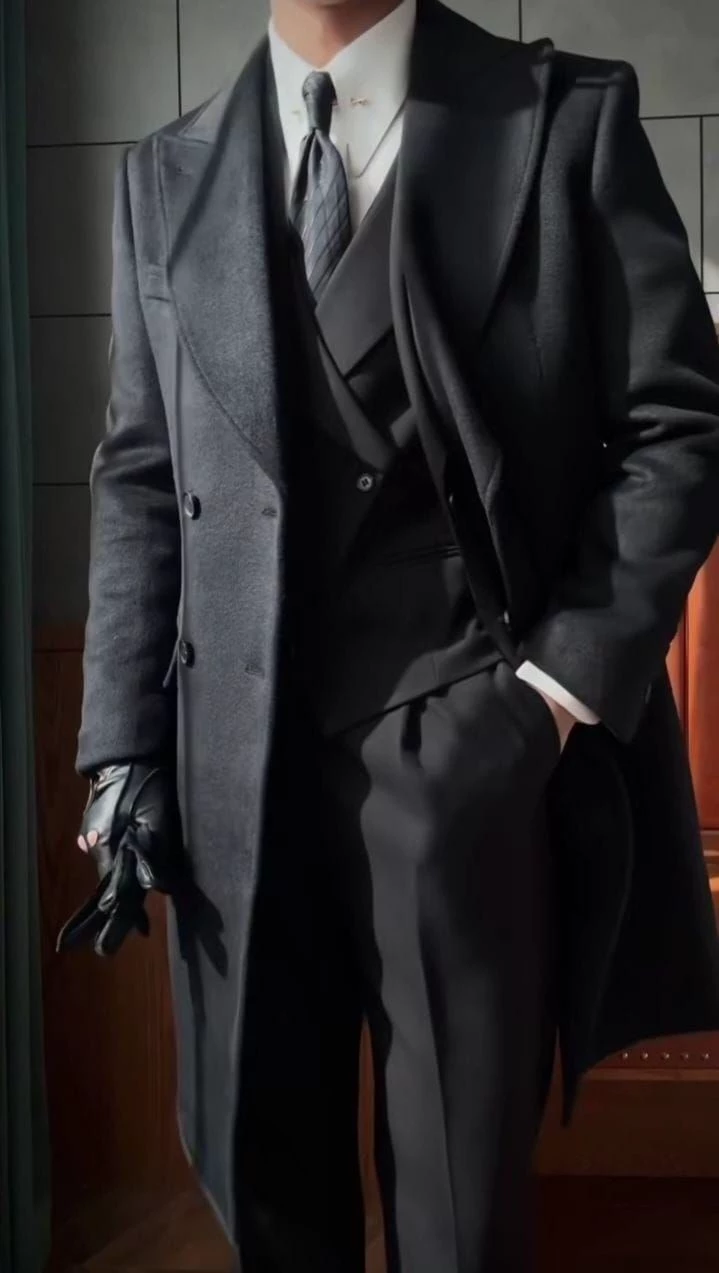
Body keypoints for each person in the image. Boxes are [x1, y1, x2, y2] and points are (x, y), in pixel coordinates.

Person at [56, 0, 719, 1269]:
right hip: (230, 786)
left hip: (464, 759)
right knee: (267, 1201)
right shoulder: (165, 176)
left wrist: (542, 702)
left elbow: (677, 427)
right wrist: (121, 747)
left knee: (459, 1226)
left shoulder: (563, 119)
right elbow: (140, 473)